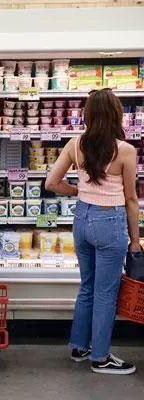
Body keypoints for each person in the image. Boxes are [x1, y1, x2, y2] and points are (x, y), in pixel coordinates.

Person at [45, 88, 139, 375]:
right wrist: (135, 240)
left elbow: (51, 183)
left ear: (88, 115)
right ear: (116, 115)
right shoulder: (124, 150)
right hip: (110, 223)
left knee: (87, 286)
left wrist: (77, 190)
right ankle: (100, 357)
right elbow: (131, 199)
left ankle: (79, 347)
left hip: (82, 219)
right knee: (106, 293)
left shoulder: (75, 145)